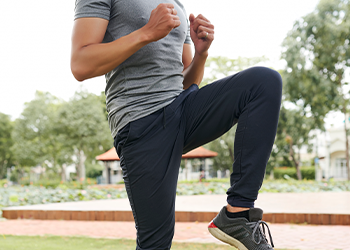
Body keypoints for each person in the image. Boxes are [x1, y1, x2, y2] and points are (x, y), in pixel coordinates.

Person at [71, 1, 282, 249]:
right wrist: (147, 33)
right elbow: (81, 64)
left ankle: (237, 214)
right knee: (156, 243)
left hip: (183, 109)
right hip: (141, 121)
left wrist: (201, 53)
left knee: (263, 83)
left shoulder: (176, 3)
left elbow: (186, 81)